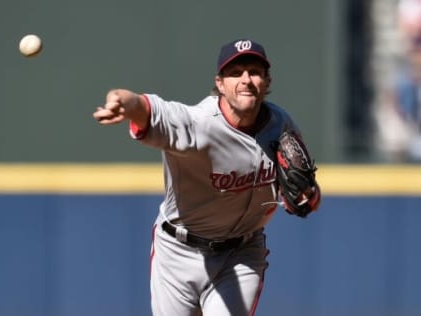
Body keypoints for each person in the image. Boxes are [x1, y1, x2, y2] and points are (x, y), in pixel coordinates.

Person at [93, 39, 321, 316]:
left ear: (267, 79)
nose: (246, 80)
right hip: (178, 252)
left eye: (254, 71)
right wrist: (123, 103)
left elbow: (306, 193)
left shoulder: (281, 123)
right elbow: (147, 107)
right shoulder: (197, 124)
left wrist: (308, 196)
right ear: (220, 83)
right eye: (235, 73)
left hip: (242, 253)